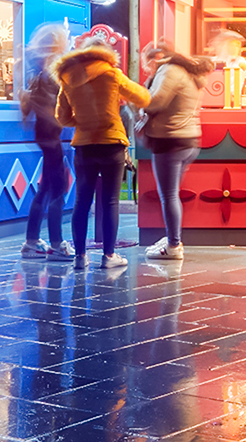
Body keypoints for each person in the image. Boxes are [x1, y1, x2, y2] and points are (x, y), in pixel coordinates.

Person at [54, 36, 150, 272]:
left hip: (84, 146)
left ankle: (80, 256)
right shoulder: (112, 73)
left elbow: (62, 117)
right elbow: (143, 97)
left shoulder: (68, 77)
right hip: (111, 143)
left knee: (82, 201)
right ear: (105, 53)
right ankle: (108, 256)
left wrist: (83, 121)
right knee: (110, 201)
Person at [139, 40, 213, 261]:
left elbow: (155, 102)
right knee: (172, 194)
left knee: (169, 195)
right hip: (187, 139)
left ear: (157, 57)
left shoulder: (170, 70)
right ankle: (172, 238)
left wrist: (136, 100)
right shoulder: (186, 70)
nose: (147, 69)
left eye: (147, 64)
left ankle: (173, 245)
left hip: (170, 140)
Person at [20, 24, 71, 260]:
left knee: (45, 189)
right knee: (57, 189)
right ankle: (56, 243)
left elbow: (29, 108)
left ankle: (31, 241)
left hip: (44, 134)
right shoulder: (52, 73)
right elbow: (58, 105)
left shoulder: (36, 74)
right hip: (52, 136)